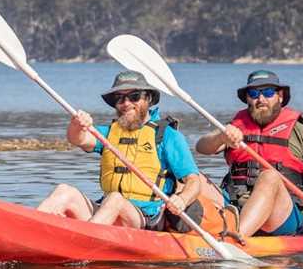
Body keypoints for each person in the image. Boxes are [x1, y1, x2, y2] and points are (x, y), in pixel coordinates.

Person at [37, 70, 224, 230]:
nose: (126, 103)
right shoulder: (109, 133)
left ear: (148, 99)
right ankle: (30, 230)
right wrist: (77, 124)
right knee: (64, 191)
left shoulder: (168, 136)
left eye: (134, 97)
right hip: (106, 211)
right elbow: (77, 139)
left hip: (146, 217)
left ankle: (81, 241)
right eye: (120, 98)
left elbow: (193, 181)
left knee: (115, 200)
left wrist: (182, 200)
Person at [194, 70, 303, 241]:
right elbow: (201, 147)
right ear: (247, 98)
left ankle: (236, 238)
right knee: (193, 177)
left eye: (268, 93)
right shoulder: (234, 129)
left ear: (280, 96)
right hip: (234, 205)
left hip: (280, 216)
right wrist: (221, 137)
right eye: (254, 94)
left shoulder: (300, 133)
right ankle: (169, 225)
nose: (261, 99)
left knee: (270, 176)